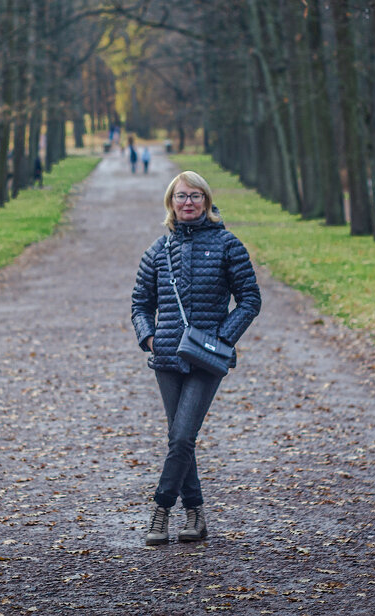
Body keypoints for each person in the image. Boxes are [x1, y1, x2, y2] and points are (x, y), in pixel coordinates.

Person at [130, 171, 261, 545]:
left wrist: (221, 338)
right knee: (179, 440)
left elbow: (250, 299)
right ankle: (196, 514)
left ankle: (160, 510)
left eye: (195, 196)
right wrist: (150, 339)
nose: (188, 203)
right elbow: (140, 305)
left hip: (207, 360)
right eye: (181, 196)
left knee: (183, 434)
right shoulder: (158, 251)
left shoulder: (227, 245)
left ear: (206, 201)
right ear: (171, 203)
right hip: (167, 359)